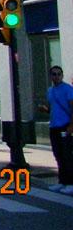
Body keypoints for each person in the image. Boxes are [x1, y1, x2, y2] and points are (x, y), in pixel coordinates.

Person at [43, 65, 73, 193]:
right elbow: (52, 109)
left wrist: (71, 127)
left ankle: (71, 183)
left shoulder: (68, 89)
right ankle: (62, 181)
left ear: (62, 75)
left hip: (65, 126)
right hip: (54, 126)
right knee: (58, 155)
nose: (56, 76)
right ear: (50, 76)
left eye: (59, 74)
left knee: (67, 155)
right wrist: (45, 110)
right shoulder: (50, 91)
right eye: (54, 74)